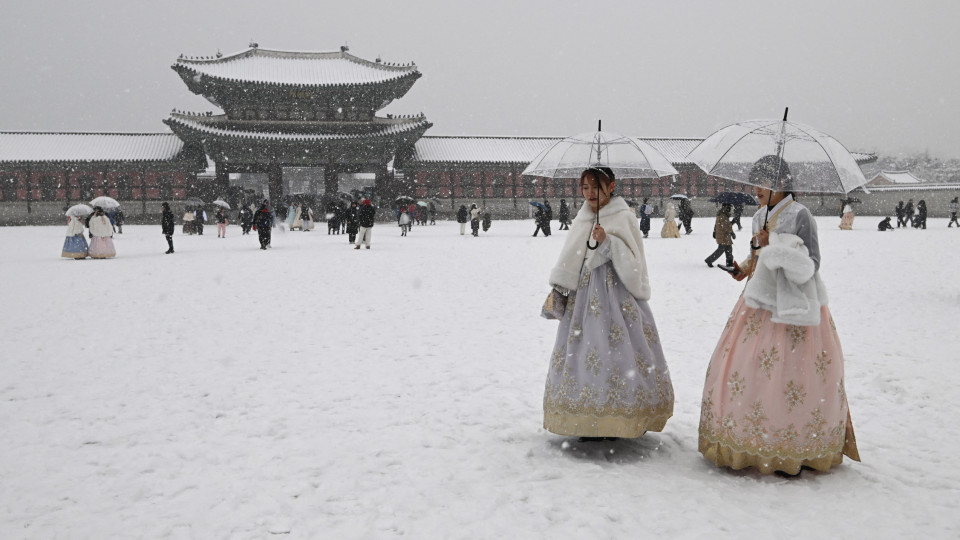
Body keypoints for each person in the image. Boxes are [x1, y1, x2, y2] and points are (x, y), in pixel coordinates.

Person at [698, 155, 859, 475]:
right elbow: (756, 258)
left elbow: (811, 264)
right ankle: (748, 437)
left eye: (763, 183)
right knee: (748, 367)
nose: (756, 189)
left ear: (782, 184)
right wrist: (744, 268)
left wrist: (775, 248)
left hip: (795, 303)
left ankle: (794, 444)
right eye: (755, 182)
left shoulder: (802, 216)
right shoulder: (759, 216)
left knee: (794, 370)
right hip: (757, 301)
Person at [543, 167, 674, 440]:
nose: (590, 193)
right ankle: (586, 416)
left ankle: (618, 417)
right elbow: (571, 255)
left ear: (611, 186)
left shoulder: (624, 217)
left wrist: (609, 243)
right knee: (584, 349)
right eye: (585, 187)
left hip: (615, 293)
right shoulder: (582, 217)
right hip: (583, 295)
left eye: (596, 187)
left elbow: (634, 261)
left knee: (616, 349)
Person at [705, 203, 735, 267]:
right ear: (724, 207)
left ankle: (729, 262)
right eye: (728, 207)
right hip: (723, 235)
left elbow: (720, 224)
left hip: (724, 235)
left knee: (729, 249)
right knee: (721, 250)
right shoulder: (722, 215)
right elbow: (725, 226)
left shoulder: (724, 215)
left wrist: (731, 223)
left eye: (730, 207)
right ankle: (709, 260)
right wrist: (732, 232)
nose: (729, 208)